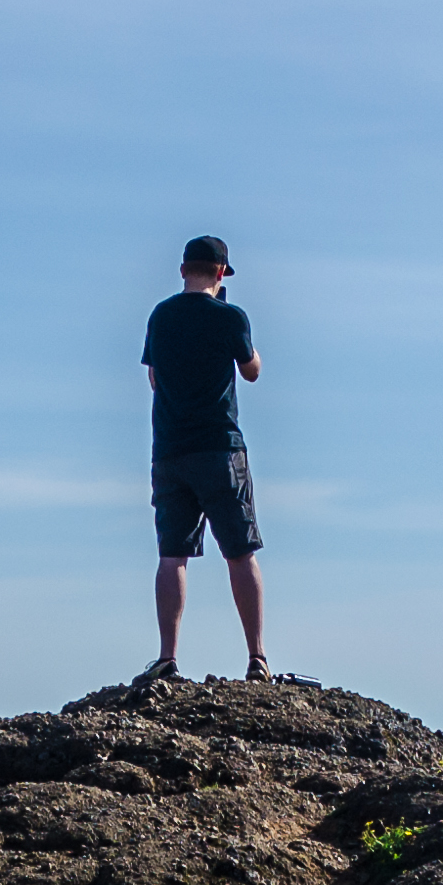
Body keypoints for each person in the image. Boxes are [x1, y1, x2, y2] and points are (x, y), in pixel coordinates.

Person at [141, 235, 265, 681]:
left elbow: (154, 378)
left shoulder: (161, 315)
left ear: (182, 271)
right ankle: (257, 657)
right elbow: (251, 370)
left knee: (172, 555)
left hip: (171, 450)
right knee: (240, 551)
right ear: (220, 273)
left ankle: (167, 656)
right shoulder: (230, 316)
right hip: (220, 446)